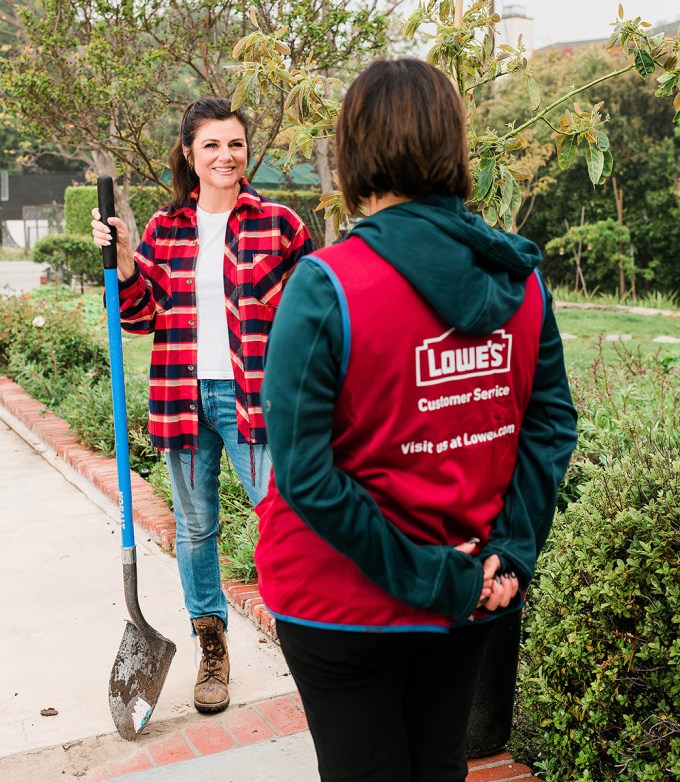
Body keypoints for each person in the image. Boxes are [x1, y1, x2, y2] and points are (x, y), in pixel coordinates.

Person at [255, 58, 578, 782]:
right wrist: (510, 554)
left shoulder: (327, 283)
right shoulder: (519, 281)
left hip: (342, 603)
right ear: (454, 145)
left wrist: (445, 578)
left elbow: (304, 472)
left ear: (354, 149)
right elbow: (550, 426)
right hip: (473, 591)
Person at [91, 97, 313, 715]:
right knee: (196, 528)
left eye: (235, 144)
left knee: (283, 516)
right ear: (189, 154)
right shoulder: (164, 231)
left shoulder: (281, 225)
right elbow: (137, 316)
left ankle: (304, 638)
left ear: (247, 152)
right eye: (211, 145)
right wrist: (128, 256)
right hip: (182, 397)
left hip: (257, 399)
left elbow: (311, 315)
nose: (225, 155)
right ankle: (210, 643)